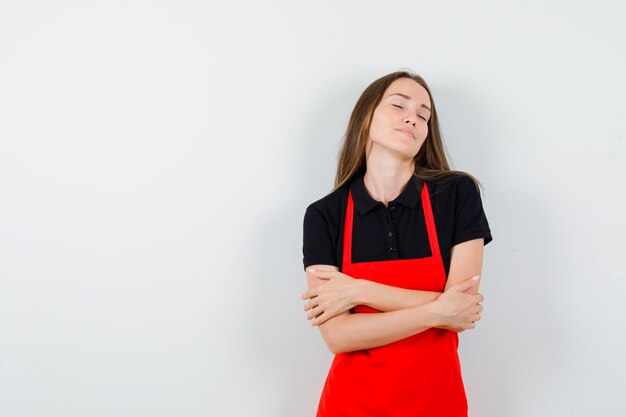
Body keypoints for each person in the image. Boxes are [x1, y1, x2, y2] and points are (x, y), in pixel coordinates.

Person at [300, 70, 493, 417]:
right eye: (399, 105)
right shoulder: (323, 215)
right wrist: (437, 310)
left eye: (424, 115)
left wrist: (359, 290)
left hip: (438, 404)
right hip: (351, 405)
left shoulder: (456, 194)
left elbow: (461, 309)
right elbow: (339, 337)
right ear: (366, 117)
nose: (412, 117)